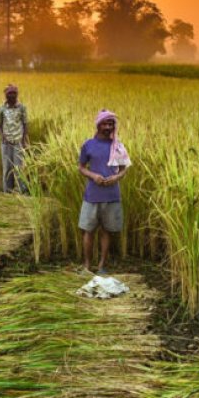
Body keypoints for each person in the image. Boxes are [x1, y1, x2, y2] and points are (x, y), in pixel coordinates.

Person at [78, 109, 130, 275]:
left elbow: (123, 170)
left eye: (111, 124)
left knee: (107, 231)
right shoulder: (88, 145)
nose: (108, 127)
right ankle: (86, 265)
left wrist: (116, 178)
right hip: (92, 195)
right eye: (105, 124)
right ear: (98, 125)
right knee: (88, 230)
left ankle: (102, 266)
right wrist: (93, 175)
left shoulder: (118, 146)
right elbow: (81, 168)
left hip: (112, 195)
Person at [0, 84, 28, 193]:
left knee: (19, 167)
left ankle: (22, 190)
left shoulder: (22, 108)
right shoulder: (1, 109)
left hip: (18, 141)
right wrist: (3, 136)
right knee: (7, 167)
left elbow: (25, 124)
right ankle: (8, 191)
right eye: (9, 93)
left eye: (14, 93)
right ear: (6, 95)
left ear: (17, 94)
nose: (12, 95)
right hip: (6, 143)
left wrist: (24, 141)